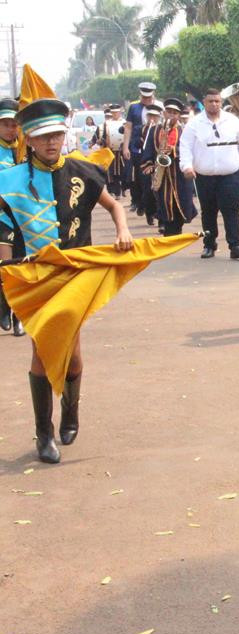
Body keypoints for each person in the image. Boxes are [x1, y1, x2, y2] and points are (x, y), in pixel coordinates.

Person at [0, 98, 133, 463]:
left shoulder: (82, 171)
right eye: (43, 137)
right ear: (29, 140)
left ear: (64, 135)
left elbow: (114, 205)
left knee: (72, 356)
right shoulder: (9, 180)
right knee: (42, 352)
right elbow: (2, 225)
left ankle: (70, 412)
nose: (51, 143)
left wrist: (123, 231)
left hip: (76, 276)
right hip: (36, 279)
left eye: (56, 135)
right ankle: (44, 434)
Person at [179, 88, 239, 260]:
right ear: (204, 102)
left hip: (230, 174)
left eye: (217, 101)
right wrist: (186, 166)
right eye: (210, 101)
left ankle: (235, 245)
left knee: (231, 209)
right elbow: (185, 147)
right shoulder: (194, 124)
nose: (214, 104)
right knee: (208, 211)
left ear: (221, 103)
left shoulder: (233, 121)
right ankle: (209, 244)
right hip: (204, 175)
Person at [142, 97, 196, 237]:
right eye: (169, 111)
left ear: (178, 115)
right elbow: (148, 150)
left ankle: (177, 228)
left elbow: (190, 150)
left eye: (175, 112)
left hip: (179, 174)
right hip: (162, 174)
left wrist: (172, 150)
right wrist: (148, 165)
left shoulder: (183, 130)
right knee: (164, 202)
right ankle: (169, 230)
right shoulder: (154, 130)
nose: (171, 115)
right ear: (164, 113)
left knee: (181, 202)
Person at [0, 97, 22, 335]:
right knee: (6, 265)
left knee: (22, 265)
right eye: (5, 124)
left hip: (26, 215)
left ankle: (19, 315)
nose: (10, 128)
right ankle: (5, 306)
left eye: (14, 123)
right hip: (1, 216)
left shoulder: (26, 147)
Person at [123, 81, 158, 214]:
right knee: (137, 176)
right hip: (136, 147)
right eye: (144, 97)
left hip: (154, 147)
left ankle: (151, 206)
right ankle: (137, 201)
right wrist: (126, 147)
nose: (146, 100)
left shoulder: (158, 106)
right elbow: (128, 127)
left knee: (151, 177)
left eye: (149, 98)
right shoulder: (133, 108)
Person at [136, 103, 163, 227]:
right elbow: (135, 144)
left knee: (161, 192)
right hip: (146, 163)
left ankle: (162, 219)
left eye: (155, 116)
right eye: (150, 116)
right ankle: (149, 213)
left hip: (161, 165)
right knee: (148, 191)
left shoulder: (162, 129)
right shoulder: (141, 129)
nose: (153, 119)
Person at [93, 105, 126, 197]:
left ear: (120, 113)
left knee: (120, 172)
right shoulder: (106, 124)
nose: (115, 114)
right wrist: (101, 141)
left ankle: (121, 189)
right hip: (109, 151)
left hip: (121, 152)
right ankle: (114, 191)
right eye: (113, 113)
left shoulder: (125, 123)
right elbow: (102, 137)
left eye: (117, 112)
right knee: (110, 172)